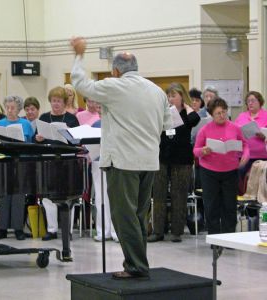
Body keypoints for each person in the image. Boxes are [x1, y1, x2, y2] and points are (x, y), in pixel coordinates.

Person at [70, 37, 171, 279]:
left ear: (116, 70)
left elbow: (80, 84)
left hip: (123, 162)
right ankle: (137, 263)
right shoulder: (157, 91)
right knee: (138, 215)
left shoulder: (114, 86)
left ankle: (136, 266)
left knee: (123, 215)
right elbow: (166, 125)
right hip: (148, 161)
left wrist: (79, 56)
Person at [148, 83, 200, 243]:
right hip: (162, 156)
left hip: (181, 158)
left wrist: (187, 106)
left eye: (173, 96)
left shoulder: (188, 114)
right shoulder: (163, 112)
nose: (170, 99)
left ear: (181, 97)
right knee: (159, 194)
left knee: (179, 194)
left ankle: (177, 231)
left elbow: (195, 119)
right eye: (168, 96)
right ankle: (158, 231)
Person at [194, 98, 249, 235]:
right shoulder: (205, 129)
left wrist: (245, 156)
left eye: (224, 112)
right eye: (218, 113)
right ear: (212, 114)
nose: (222, 115)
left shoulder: (235, 127)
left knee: (229, 206)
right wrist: (203, 151)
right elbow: (195, 150)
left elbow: (245, 145)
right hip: (209, 172)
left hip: (230, 171)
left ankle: (229, 236)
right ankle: (214, 237)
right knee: (211, 206)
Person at [35, 87, 80, 241]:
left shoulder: (71, 119)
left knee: (69, 196)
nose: (56, 104)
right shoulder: (44, 117)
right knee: (48, 196)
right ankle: (52, 229)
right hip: (48, 160)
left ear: (64, 102)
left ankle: (68, 230)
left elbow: (77, 141)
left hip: (67, 161)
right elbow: (36, 140)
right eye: (53, 101)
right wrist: (38, 139)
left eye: (59, 101)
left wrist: (69, 136)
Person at [0, 96, 34, 240]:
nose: (10, 111)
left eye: (13, 108)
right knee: (3, 196)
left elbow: (31, 144)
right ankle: (2, 228)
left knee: (18, 196)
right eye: (8, 107)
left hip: (21, 162)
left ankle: (18, 229)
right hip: (3, 163)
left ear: (18, 109)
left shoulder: (26, 124)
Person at [91, 119, 118, 242]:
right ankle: (103, 231)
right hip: (98, 162)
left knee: (115, 197)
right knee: (100, 198)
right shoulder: (95, 125)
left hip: (116, 162)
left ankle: (116, 231)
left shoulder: (118, 121)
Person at [234, 91, 267, 182]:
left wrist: (264, 136)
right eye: (248, 101)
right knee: (238, 172)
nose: (250, 103)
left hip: (262, 156)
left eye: (253, 100)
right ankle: (240, 195)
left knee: (259, 179)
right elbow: (234, 131)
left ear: (260, 102)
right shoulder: (242, 116)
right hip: (243, 155)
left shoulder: (266, 116)